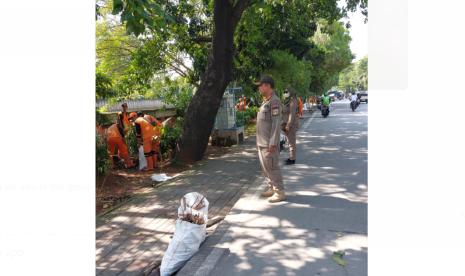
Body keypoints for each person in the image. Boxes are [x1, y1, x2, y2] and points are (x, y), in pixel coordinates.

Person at [255, 75, 285, 203]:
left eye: (260, 85)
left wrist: (273, 142)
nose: (259, 88)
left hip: (269, 143)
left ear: (267, 85)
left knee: (272, 167)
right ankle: (271, 188)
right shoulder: (266, 101)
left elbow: (276, 123)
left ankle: (280, 192)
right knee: (265, 168)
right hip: (262, 142)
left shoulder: (275, 101)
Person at [282, 89, 299, 165]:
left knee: (292, 142)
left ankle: (292, 159)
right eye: (284, 92)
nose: (285, 93)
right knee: (289, 141)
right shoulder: (287, 100)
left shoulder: (293, 101)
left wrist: (288, 125)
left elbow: (291, 114)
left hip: (291, 124)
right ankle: (291, 157)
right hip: (286, 123)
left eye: (286, 92)